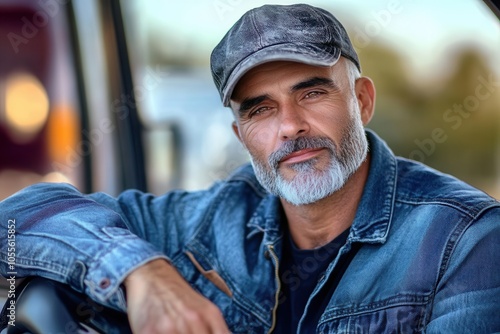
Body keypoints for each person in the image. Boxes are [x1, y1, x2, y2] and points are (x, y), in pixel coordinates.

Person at [1, 3, 499, 333]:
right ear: (242, 136)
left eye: (312, 92)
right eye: (260, 108)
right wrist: (143, 272)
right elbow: (15, 224)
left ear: (362, 101)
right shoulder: (205, 221)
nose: (289, 126)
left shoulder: (465, 239)